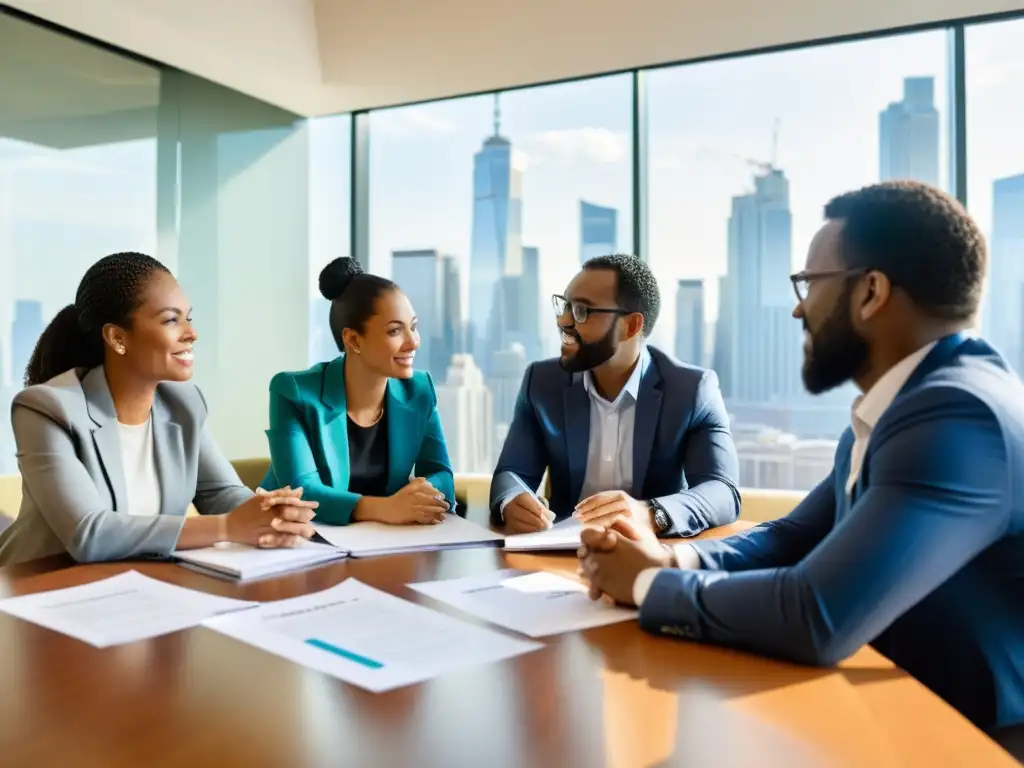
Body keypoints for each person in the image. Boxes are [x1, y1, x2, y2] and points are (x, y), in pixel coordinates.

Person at [579, 182, 1024, 737]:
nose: (798, 306)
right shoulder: (900, 406)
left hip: (974, 741)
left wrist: (647, 584)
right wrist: (673, 563)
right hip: (894, 714)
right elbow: (791, 537)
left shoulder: (958, 415)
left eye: (810, 283)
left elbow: (817, 614)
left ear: (871, 293)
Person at [0, 252, 318, 566]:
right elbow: (89, 534)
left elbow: (221, 492)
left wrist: (271, 514)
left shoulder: (183, 403)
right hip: (38, 590)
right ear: (117, 337)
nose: (191, 333)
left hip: (139, 586)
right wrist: (228, 527)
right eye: (171, 320)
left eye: (188, 317)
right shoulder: (46, 408)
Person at [490, 253, 740, 536]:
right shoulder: (542, 383)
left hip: (651, 558)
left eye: (581, 311)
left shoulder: (691, 390)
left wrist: (650, 513)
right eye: (564, 306)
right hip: (559, 554)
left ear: (630, 326)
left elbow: (723, 491)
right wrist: (512, 501)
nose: (563, 321)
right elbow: (510, 474)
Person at [261, 257, 455, 526]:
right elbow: (302, 490)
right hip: (295, 538)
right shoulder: (293, 392)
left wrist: (424, 491)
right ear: (353, 340)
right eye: (395, 331)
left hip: (382, 542)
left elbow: (440, 472)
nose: (413, 342)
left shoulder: (419, 390)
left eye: (413, 327)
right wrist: (384, 508)